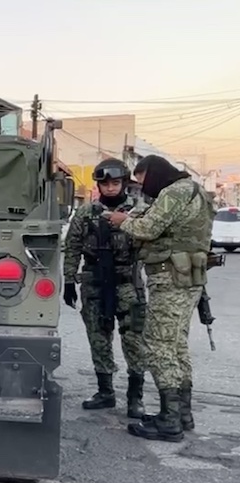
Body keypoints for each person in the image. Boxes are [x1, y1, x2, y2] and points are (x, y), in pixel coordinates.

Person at [103, 155, 214, 442]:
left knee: (157, 344)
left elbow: (148, 229)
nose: (143, 188)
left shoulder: (174, 191)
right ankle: (181, 414)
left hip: (170, 278)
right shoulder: (196, 191)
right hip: (189, 276)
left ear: (152, 174)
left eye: (142, 182)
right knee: (176, 344)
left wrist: (122, 221)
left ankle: (169, 421)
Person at [62, 158, 148, 418]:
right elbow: (72, 247)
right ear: (98, 185)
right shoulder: (86, 212)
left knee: (133, 339)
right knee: (98, 337)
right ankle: (105, 391)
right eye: (105, 183)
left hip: (126, 281)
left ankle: (135, 398)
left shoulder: (138, 212)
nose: (110, 188)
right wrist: (68, 281)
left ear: (123, 183)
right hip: (94, 280)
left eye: (115, 183)